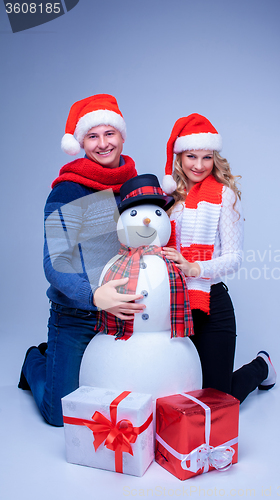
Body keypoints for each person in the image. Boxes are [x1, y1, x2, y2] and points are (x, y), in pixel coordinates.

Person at [18, 94, 145, 426]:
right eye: (93, 136)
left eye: (109, 134)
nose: (103, 144)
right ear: (81, 142)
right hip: (76, 314)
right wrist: (93, 296)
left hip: (121, 311)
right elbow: (55, 264)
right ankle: (34, 360)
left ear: (122, 135)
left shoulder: (134, 187)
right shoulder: (67, 191)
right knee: (61, 414)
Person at [161, 113, 276, 403]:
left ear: (215, 158)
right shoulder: (168, 199)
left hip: (212, 304)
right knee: (177, 392)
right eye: (191, 156)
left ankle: (262, 366)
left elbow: (234, 258)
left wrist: (193, 267)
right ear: (179, 156)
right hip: (174, 304)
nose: (199, 166)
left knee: (218, 401)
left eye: (207, 157)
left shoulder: (225, 196)